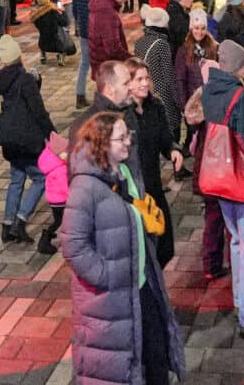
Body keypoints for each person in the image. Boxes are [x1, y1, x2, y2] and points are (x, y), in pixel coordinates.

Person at [64, 114, 185, 385]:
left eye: (127, 135)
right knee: (115, 366)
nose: (128, 142)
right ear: (102, 144)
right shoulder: (84, 188)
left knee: (155, 353)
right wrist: (107, 276)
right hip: (111, 297)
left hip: (141, 283)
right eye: (121, 138)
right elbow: (73, 245)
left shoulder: (124, 172)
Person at [201, 39, 244, 334]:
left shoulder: (209, 90)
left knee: (235, 241)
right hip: (242, 179)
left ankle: (241, 301)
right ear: (239, 67)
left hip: (218, 176)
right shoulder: (239, 94)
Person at [0, 35, 56, 244]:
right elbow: (38, 111)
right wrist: (52, 136)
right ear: (18, 56)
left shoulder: (1, 80)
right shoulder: (25, 79)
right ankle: (20, 220)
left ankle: (7, 225)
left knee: (16, 178)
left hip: (9, 140)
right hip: (26, 139)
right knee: (41, 178)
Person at [124, 62, 181, 269]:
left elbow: (166, 137)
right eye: (138, 79)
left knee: (165, 245)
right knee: (143, 248)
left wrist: (173, 149)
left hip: (154, 185)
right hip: (134, 190)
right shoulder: (122, 114)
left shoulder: (155, 106)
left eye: (147, 78)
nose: (145, 83)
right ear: (127, 83)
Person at [134, 5, 181, 132]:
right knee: (170, 127)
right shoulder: (162, 44)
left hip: (146, 90)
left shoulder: (139, 42)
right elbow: (168, 75)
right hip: (162, 93)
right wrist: (178, 99)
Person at [71, 0, 110, 109]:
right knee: (102, 63)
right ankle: (104, 96)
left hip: (83, 29)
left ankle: (80, 95)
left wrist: (78, 24)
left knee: (85, 63)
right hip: (97, 30)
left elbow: (74, 9)